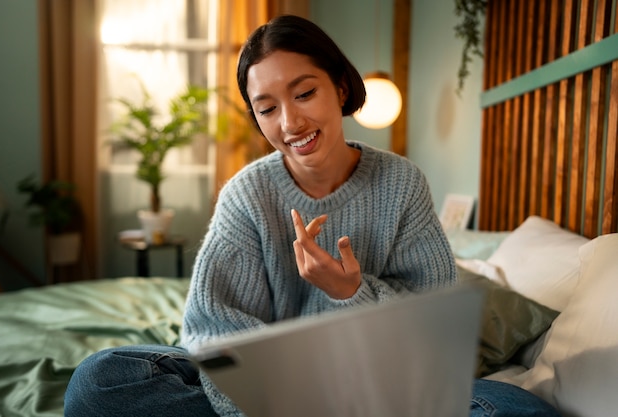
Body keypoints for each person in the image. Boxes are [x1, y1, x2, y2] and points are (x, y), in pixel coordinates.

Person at [65, 15, 561, 417]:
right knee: (100, 381)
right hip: (271, 393)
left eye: (304, 94)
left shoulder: (401, 183)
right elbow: (211, 328)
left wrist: (351, 291)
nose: (290, 123)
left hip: (381, 382)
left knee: (518, 410)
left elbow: (431, 322)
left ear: (341, 88)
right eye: (267, 108)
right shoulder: (247, 194)